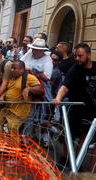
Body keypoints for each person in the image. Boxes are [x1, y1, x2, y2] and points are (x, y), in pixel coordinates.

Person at [53, 43, 96, 172]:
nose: (77, 58)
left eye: (80, 56)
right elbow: (65, 86)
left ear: (88, 55)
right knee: (69, 135)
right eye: (76, 56)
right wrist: (58, 98)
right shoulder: (75, 69)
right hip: (76, 108)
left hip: (92, 111)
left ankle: (77, 160)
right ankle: (66, 158)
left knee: (85, 136)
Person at [0, 60, 43, 135]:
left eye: (14, 68)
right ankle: (0, 142)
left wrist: (29, 89)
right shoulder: (12, 77)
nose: (12, 70)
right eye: (11, 68)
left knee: (12, 127)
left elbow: (40, 90)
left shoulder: (29, 77)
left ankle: (14, 146)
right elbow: (9, 89)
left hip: (20, 111)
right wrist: (2, 97)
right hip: (9, 109)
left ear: (21, 70)